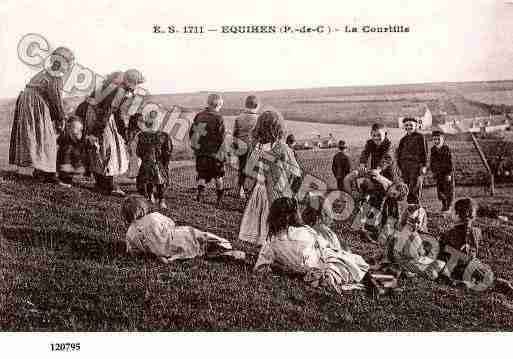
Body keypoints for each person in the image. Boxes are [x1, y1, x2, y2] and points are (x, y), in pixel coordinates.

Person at [254, 197, 375, 295]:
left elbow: (260, 267)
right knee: (343, 256)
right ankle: (369, 277)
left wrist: (279, 267)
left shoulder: (270, 243)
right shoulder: (304, 231)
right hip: (316, 264)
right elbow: (324, 247)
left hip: (303, 267)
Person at [9, 47, 74, 183]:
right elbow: (55, 98)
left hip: (30, 101)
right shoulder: (55, 75)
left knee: (40, 136)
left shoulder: (46, 72)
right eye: (70, 62)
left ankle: (41, 171)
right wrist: (61, 117)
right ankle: (48, 175)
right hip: (35, 103)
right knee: (47, 138)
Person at [238, 110, 302, 245]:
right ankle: (275, 246)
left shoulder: (258, 148)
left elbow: (250, 173)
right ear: (279, 128)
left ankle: (263, 246)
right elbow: (296, 173)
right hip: (278, 192)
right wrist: (291, 192)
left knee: (261, 220)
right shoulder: (283, 148)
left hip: (260, 190)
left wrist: (247, 188)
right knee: (278, 224)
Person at [79, 69, 145, 196]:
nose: (135, 88)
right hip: (99, 118)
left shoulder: (113, 86)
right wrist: (97, 132)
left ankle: (101, 183)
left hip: (96, 116)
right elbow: (107, 112)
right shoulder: (119, 91)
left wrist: (122, 131)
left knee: (100, 150)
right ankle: (108, 186)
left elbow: (117, 113)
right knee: (109, 149)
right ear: (131, 82)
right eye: (136, 84)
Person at [121, 196, 244, 263]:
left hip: (155, 250)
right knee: (198, 236)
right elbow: (170, 223)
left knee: (170, 249)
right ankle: (224, 246)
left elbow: (132, 251)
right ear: (143, 209)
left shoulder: (130, 233)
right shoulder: (153, 217)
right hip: (173, 240)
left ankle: (164, 256)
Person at [437, 198, 513, 297]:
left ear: (457, 214)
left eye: (452, 212)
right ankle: (503, 285)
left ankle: (466, 284)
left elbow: (441, 252)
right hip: (474, 264)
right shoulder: (477, 231)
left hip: (457, 268)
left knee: (447, 274)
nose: (451, 214)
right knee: (489, 279)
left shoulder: (449, 234)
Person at [188, 93, 226, 205]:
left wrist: (196, 148)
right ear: (219, 105)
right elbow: (221, 138)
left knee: (202, 175)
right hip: (215, 154)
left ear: (208, 103)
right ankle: (219, 199)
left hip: (201, 152)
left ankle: (199, 195)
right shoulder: (219, 118)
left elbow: (192, 133)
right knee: (218, 176)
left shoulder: (199, 116)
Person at [135, 111, 173, 209]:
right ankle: (161, 200)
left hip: (146, 163)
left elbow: (138, 152)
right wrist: (165, 163)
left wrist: (145, 158)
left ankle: (150, 196)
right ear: (158, 122)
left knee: (148, 180)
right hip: (158, 163)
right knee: (161, 182)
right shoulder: (164, 136)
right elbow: (168, 152)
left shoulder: (141, 136)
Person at [396, 117, 428, 205]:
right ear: (404, 127)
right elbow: (399, 154)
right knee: (406, 187)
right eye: (406, 125)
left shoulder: (420, 137)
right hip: (404, 166)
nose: (409, 127)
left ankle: (415, 206)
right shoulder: (403, 140)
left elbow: (424, 152)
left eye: (411, 125)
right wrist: (399, 167)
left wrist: (424, 166)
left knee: (415, 187)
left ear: (416, 126)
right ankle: (409, 207)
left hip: (416, 166)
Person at [233, 95, 259, 199]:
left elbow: (235, 133)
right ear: (256, 106)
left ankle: (240, 190)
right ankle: (253, 191)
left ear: (245, 105)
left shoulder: (238, 118)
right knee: (256, 170)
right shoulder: (259, 119)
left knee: (241, 169)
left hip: (241, 146)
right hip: (255, 147)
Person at [56, 115, 86, 187]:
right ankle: (64, 179)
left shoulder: (79, 137)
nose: (77, 131)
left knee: (75, 162)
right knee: (66, 157)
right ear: (69, 127)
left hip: (74, 159)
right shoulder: (65, 136)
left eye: (80, 130)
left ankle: (69, 178)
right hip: (65, 159)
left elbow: (82, 143)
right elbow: (59, 141)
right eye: (75, 128)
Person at [430, 130, 454, 213]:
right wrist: (433, 171)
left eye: (438, 139)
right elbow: (432, 161)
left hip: (446, 173)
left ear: (443, 140)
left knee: (448, 190)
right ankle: (444, 205)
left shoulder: (446, 149)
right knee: (440, 190)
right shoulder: (433, 149)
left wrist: (449, 173)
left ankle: (449, 206)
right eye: (434, 139)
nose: (436, 141)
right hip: (438, 173)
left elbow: (450, 162)